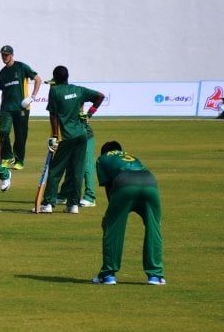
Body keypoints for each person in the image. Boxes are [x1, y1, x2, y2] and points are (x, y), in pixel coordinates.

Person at [92, 141, 165, 286]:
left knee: (113, 229)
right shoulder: (130, 156)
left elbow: (109, 187)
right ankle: (155, 276)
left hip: (124, 184)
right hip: (149, 182)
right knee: (154, 228)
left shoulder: (102, 159)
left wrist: (110, 215)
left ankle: (108, 275)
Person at [41, 65, 105, 214]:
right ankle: (73, 205)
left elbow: (53, 115)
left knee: (56, 170)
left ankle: (48, 204)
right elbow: (100, 96)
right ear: (67, 77)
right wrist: (89, 114)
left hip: (67, 137)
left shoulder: (55, 91)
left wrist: (54, 136)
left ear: (55, 79)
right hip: (82, 136)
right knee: (77, 171)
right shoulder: (78, 90)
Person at [0, 45, 42, 171]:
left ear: (12, 55)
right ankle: (7, 157)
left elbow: (38, 79)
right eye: (2, 55)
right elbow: (4, 92)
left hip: (21, 107)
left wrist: (32, 97)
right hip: (6, 108)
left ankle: (19, 160)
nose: (4, 57)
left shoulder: (21, 67)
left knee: (20, 135)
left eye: (6, 55)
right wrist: (2, 106)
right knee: (3, 132)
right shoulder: (2, 73)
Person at [78, 109, 97, 208]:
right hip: (69, 134)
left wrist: (89, 114)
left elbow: (99, 97)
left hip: (86, 135)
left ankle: (90, 197)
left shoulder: (77, 94)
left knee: (87, 166)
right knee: (69, 164)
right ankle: (65, 194)